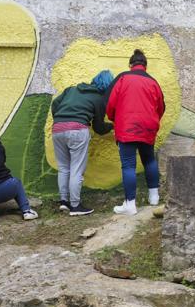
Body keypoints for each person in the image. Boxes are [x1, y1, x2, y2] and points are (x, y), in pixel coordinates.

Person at [106, 49, 165, 216]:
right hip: (148, 127)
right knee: (149, 159)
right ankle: (154, 197)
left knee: (129, 165)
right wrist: (152, 121)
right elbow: (161, 107)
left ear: (131, 64)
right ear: (145, 65)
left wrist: (114, 119)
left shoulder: (123, 79)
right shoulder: (153, 82)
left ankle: (130, 204)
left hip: (126, 127)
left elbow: (111, 105)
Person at [51, 70, 114, 216]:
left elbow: (55, 104)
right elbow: (99, 128)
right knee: (76, 169)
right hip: (77, 130)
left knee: (63, 167)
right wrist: (112, 126)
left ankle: (64, 202)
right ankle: (75, 206)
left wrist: (61, 118)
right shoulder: (99, 99)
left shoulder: (72, 89)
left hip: (57, 128)